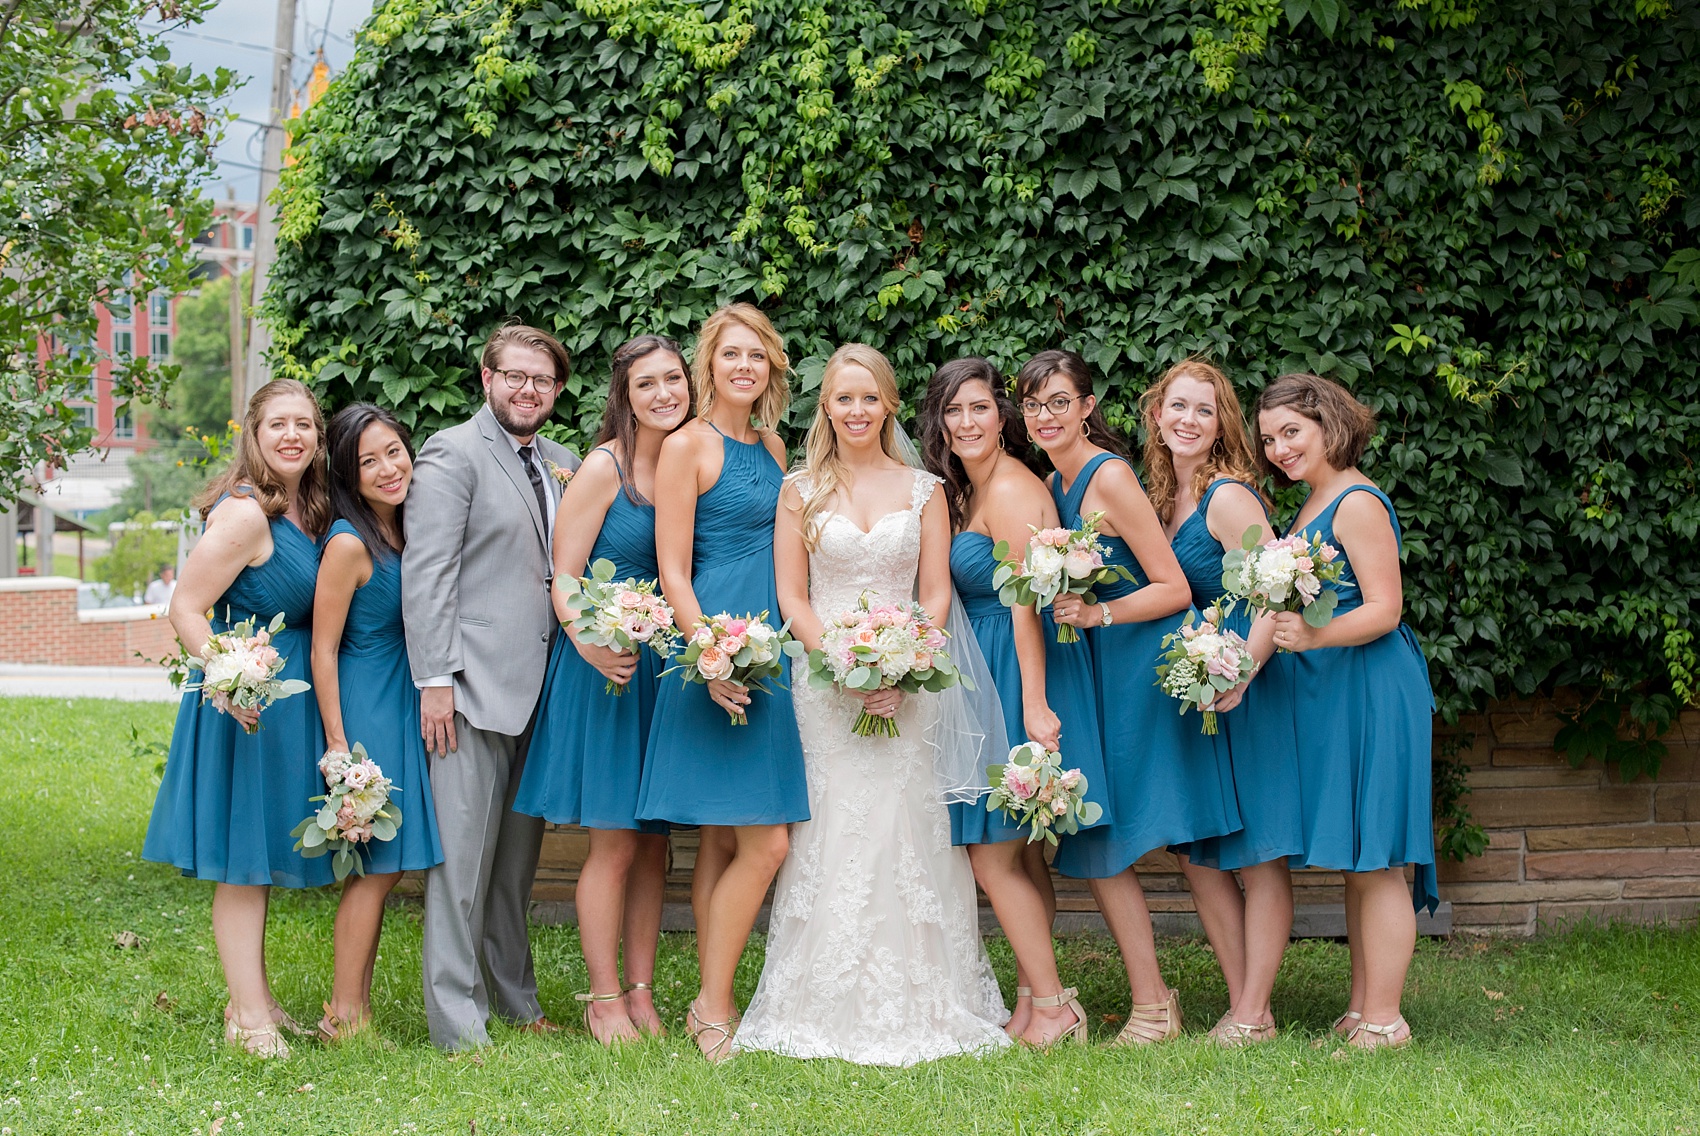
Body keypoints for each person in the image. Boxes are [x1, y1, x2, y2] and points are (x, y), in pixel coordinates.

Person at [737, 343, 1010, 1065]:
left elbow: (934, 592)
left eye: (869, 398)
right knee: (829, 828)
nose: (855, 411)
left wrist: (905, 662)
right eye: (842, 398)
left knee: (906, 823)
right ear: (824, 406)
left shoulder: (923, 489)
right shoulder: (799, 491)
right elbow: (793, 594)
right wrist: (842, 665)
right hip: (824, 684)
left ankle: (930, 993)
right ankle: (814, 997)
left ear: (888, 403)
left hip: (905, 682)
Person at [1021, 349, 1242, 1044]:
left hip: (1140, 670)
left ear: (1088, 406)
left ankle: (1244, 1007)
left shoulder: (1108, 476)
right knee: (1103, 836)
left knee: (1183, 837)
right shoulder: (1050, 482)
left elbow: (1174, 587)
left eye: (1059, 401)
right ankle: (1159, 1002)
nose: (1045, 415)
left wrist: (1098, 614)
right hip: (1094, 677)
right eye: (1031, 404)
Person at [633, 303, 808, 1062]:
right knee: (766, 842)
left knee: (724, 845)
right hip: (716, 655)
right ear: (710, 364)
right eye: (732, 354)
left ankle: (715, 1000)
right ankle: (712, 1007)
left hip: (771, 652)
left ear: (770, 368)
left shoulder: (772, 444)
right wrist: (709, 657)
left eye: (757, 357)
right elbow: (672, 566)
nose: (744, 367)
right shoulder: (686, 445)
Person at [141, 378, 334, 1059]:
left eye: (304, 425)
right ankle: (248, 1016)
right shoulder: (247, 514)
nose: (292, 435)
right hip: (244, 705)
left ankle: (254, 997)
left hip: (283, 704)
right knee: (242, 864)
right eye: (278, 423)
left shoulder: (304, 509)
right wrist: (229, 676)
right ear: (252, 434)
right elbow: (185, 607)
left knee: (259, 855)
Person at [401, 323, 580, 1051]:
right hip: (469, 689)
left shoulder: (565, 462)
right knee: (461, 866)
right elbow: (429, 573)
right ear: (486, 377)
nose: (527, 390)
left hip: (544, 692)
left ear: (557, 391)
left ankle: (514, 997)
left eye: (541, 380)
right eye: (515, 376)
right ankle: (455, 1021)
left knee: (515, 864)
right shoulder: (452, 452)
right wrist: (435, 680)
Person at [917, 356, 1104, 1046]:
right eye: (953, 410)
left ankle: (1054, 1005)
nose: (966, 423)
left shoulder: (1017, 491)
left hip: (1008, 671)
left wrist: (1033, 705)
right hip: (980, 670)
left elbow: (1028, 607)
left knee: (992, 856)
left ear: (1002, 417)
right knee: (1017, 853)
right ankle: (1034, 995)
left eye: (980, 409)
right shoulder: (968, 489)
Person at [512, 335, 692, 1044]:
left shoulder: (690, 457)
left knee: (655, 845)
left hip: (666, 672)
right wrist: (588, 642)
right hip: (609, 669)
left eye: (673, 379)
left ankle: (644, 992)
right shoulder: (603, 467)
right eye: (646, 384)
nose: (662, 394)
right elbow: (562, 574)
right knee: (615, 843)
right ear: (625, 394)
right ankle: (603, 997)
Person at [1255, 372, 1437, 1050]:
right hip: (1340, 692)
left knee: (1380, 856)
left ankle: (1386, 1019)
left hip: (1373, 688)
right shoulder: (1313, 504)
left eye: (1291, 432)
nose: (1278, 449)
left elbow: (1386, 608)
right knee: (1362, 855)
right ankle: (1364, 1008)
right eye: (1269, 438)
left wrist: (1313, 635)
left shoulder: (1356, 501)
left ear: (1329, 423)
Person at [1143, 359, 1303, 1045]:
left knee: (1258, 848)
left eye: (1204, 411)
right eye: (1178, 406)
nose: (1188, 420)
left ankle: (1252, 1010)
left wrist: (1247, 667)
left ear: (1221, 425)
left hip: (1247, 682)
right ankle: (1248, 1006)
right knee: (1200, 847)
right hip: (1199, 684)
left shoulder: (1226, 496)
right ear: (1157, 415)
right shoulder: (1160, 500)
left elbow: (1279, 582)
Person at [309, 403, 445, 1041]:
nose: (389, 468)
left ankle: (353, 1007)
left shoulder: (406, 527)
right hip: (366, 707)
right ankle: (344, 1012)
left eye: (394, 450)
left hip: (400, 696)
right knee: (376, 866)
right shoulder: (348, 542)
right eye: (368, 461)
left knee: (384, 866)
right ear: (346, 473)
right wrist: (339, 744)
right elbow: (322, 649)